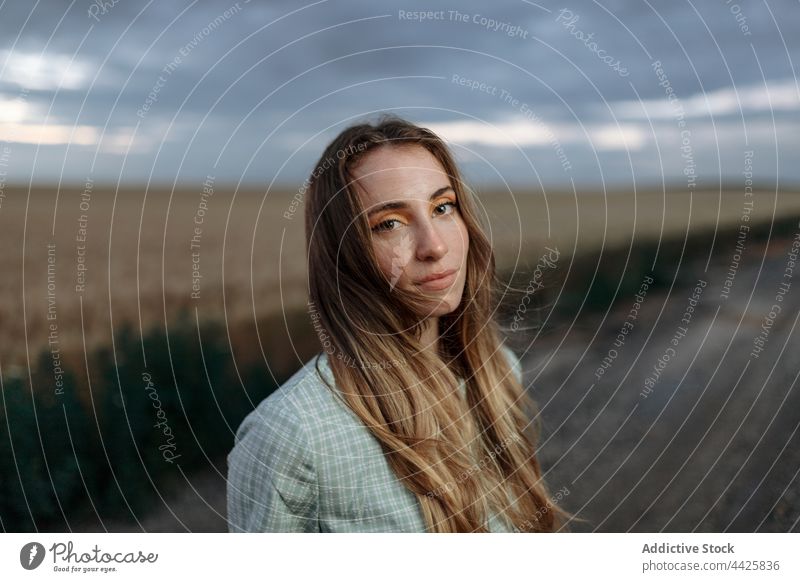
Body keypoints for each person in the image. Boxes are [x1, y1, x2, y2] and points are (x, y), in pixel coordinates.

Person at [226, 114, 574, 532]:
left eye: (443, 207)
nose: (435, 245)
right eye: (389, 223)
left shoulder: (497, 371)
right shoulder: (291, 436)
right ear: (344, 254)